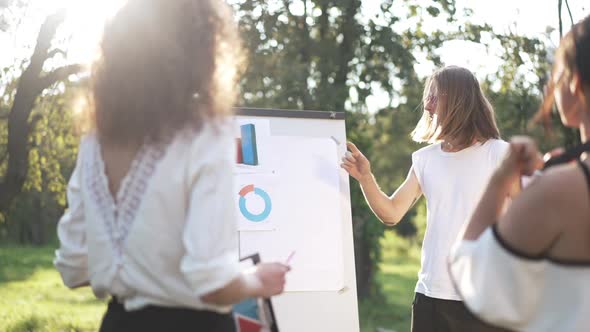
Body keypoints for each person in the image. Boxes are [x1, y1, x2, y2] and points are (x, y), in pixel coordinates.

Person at [53, 1, 290, 331]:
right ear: (202, 50)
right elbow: (212, 283)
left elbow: (73, 266)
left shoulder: (95, 141)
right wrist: (257, 281)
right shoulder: (203, 134)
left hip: (119, 324)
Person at [342, 66, 514, 332]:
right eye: (428, 96)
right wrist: (365, 177)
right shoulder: (425, 159)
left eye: (435, 96)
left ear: (458, 100)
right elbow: (391, 213)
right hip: (430, 296)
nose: (428, 104)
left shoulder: (499, 154)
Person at [449, 14, 590, 332]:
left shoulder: (562, 190)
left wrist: (501, 180)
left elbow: (471, 274)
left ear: (576, 83)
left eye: (558, 72)